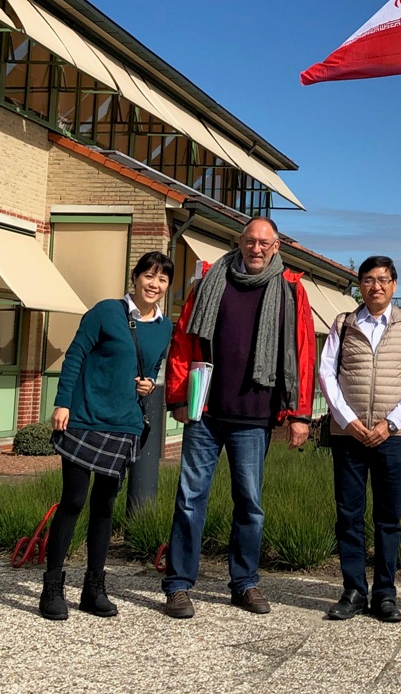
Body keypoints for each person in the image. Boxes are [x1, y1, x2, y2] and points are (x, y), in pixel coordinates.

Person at [162, 216, 315, 619]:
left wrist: (301, 414)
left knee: (250, 503)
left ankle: (244, 583)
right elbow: (183, 339)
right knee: (190, 500)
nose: (257, 248)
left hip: (255, 416)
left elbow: (302, 352)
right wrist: (178, 395)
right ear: (240, 242)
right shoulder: (210, 282)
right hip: (206, 412)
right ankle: (178, 585)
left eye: (265, 242)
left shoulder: (291, 290)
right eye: (250, 241)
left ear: (277, 246)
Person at [40, 250, 174, 621]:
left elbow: (151, 368)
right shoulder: (105, 312)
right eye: (149, 276)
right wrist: (62, 403)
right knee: (74, 501)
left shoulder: (165, 327)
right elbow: (75, 356)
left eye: (162, 279)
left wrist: (148, 384)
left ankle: (93, 588)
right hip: (84, 418)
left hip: (125, 424)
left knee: (105, 507)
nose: (154, 284)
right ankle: (52, 588)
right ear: (135, 278)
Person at [319, 256, 401, 623]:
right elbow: (327, 373)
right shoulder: (343, 323)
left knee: (388, 517)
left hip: (391, 437)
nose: (375, 286)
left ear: (394, 285)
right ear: (360, 285)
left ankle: (385, 593)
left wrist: (391, 423)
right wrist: (347, 420)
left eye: (383, 279)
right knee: (349, 515)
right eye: (368, 279)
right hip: (348, 435)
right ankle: (352, 590)